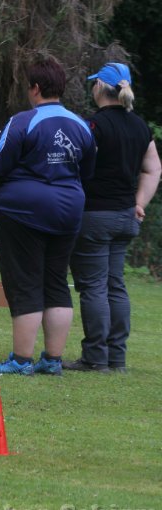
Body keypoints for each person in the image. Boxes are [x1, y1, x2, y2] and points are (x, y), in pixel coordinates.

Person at [0, 58, 96, 375]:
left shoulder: (23, 120)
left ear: (36, 88)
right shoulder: (82, 125)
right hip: (69, 210)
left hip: (24, 211)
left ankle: (21, 360)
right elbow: (87, 172)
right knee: (56, 282)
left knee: (25, 282)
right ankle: (53, 360)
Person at [65, 63, 161, 373]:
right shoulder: (140, 127)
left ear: (99, 88)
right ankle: (116, 357)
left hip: (95, 216)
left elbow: (74, 165)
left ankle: (95, 357)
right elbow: (154, 169)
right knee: (115, 285)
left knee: (94, 287)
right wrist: (139, 203)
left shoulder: (93, 126)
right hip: (125, 217)